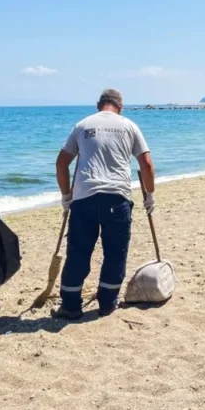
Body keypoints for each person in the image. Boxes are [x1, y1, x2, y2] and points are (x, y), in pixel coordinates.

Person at [53, 88, 155, 319]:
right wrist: (150, 195)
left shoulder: (82, 125)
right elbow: (146, 165)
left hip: (84, 198)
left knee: (78, 253)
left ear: (99, 104)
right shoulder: (129, 126)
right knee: (115, 253)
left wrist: (65, 195)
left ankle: (70, 306)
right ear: (120, 106)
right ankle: (107, 303)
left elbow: (61, 163)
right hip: (117, 198)